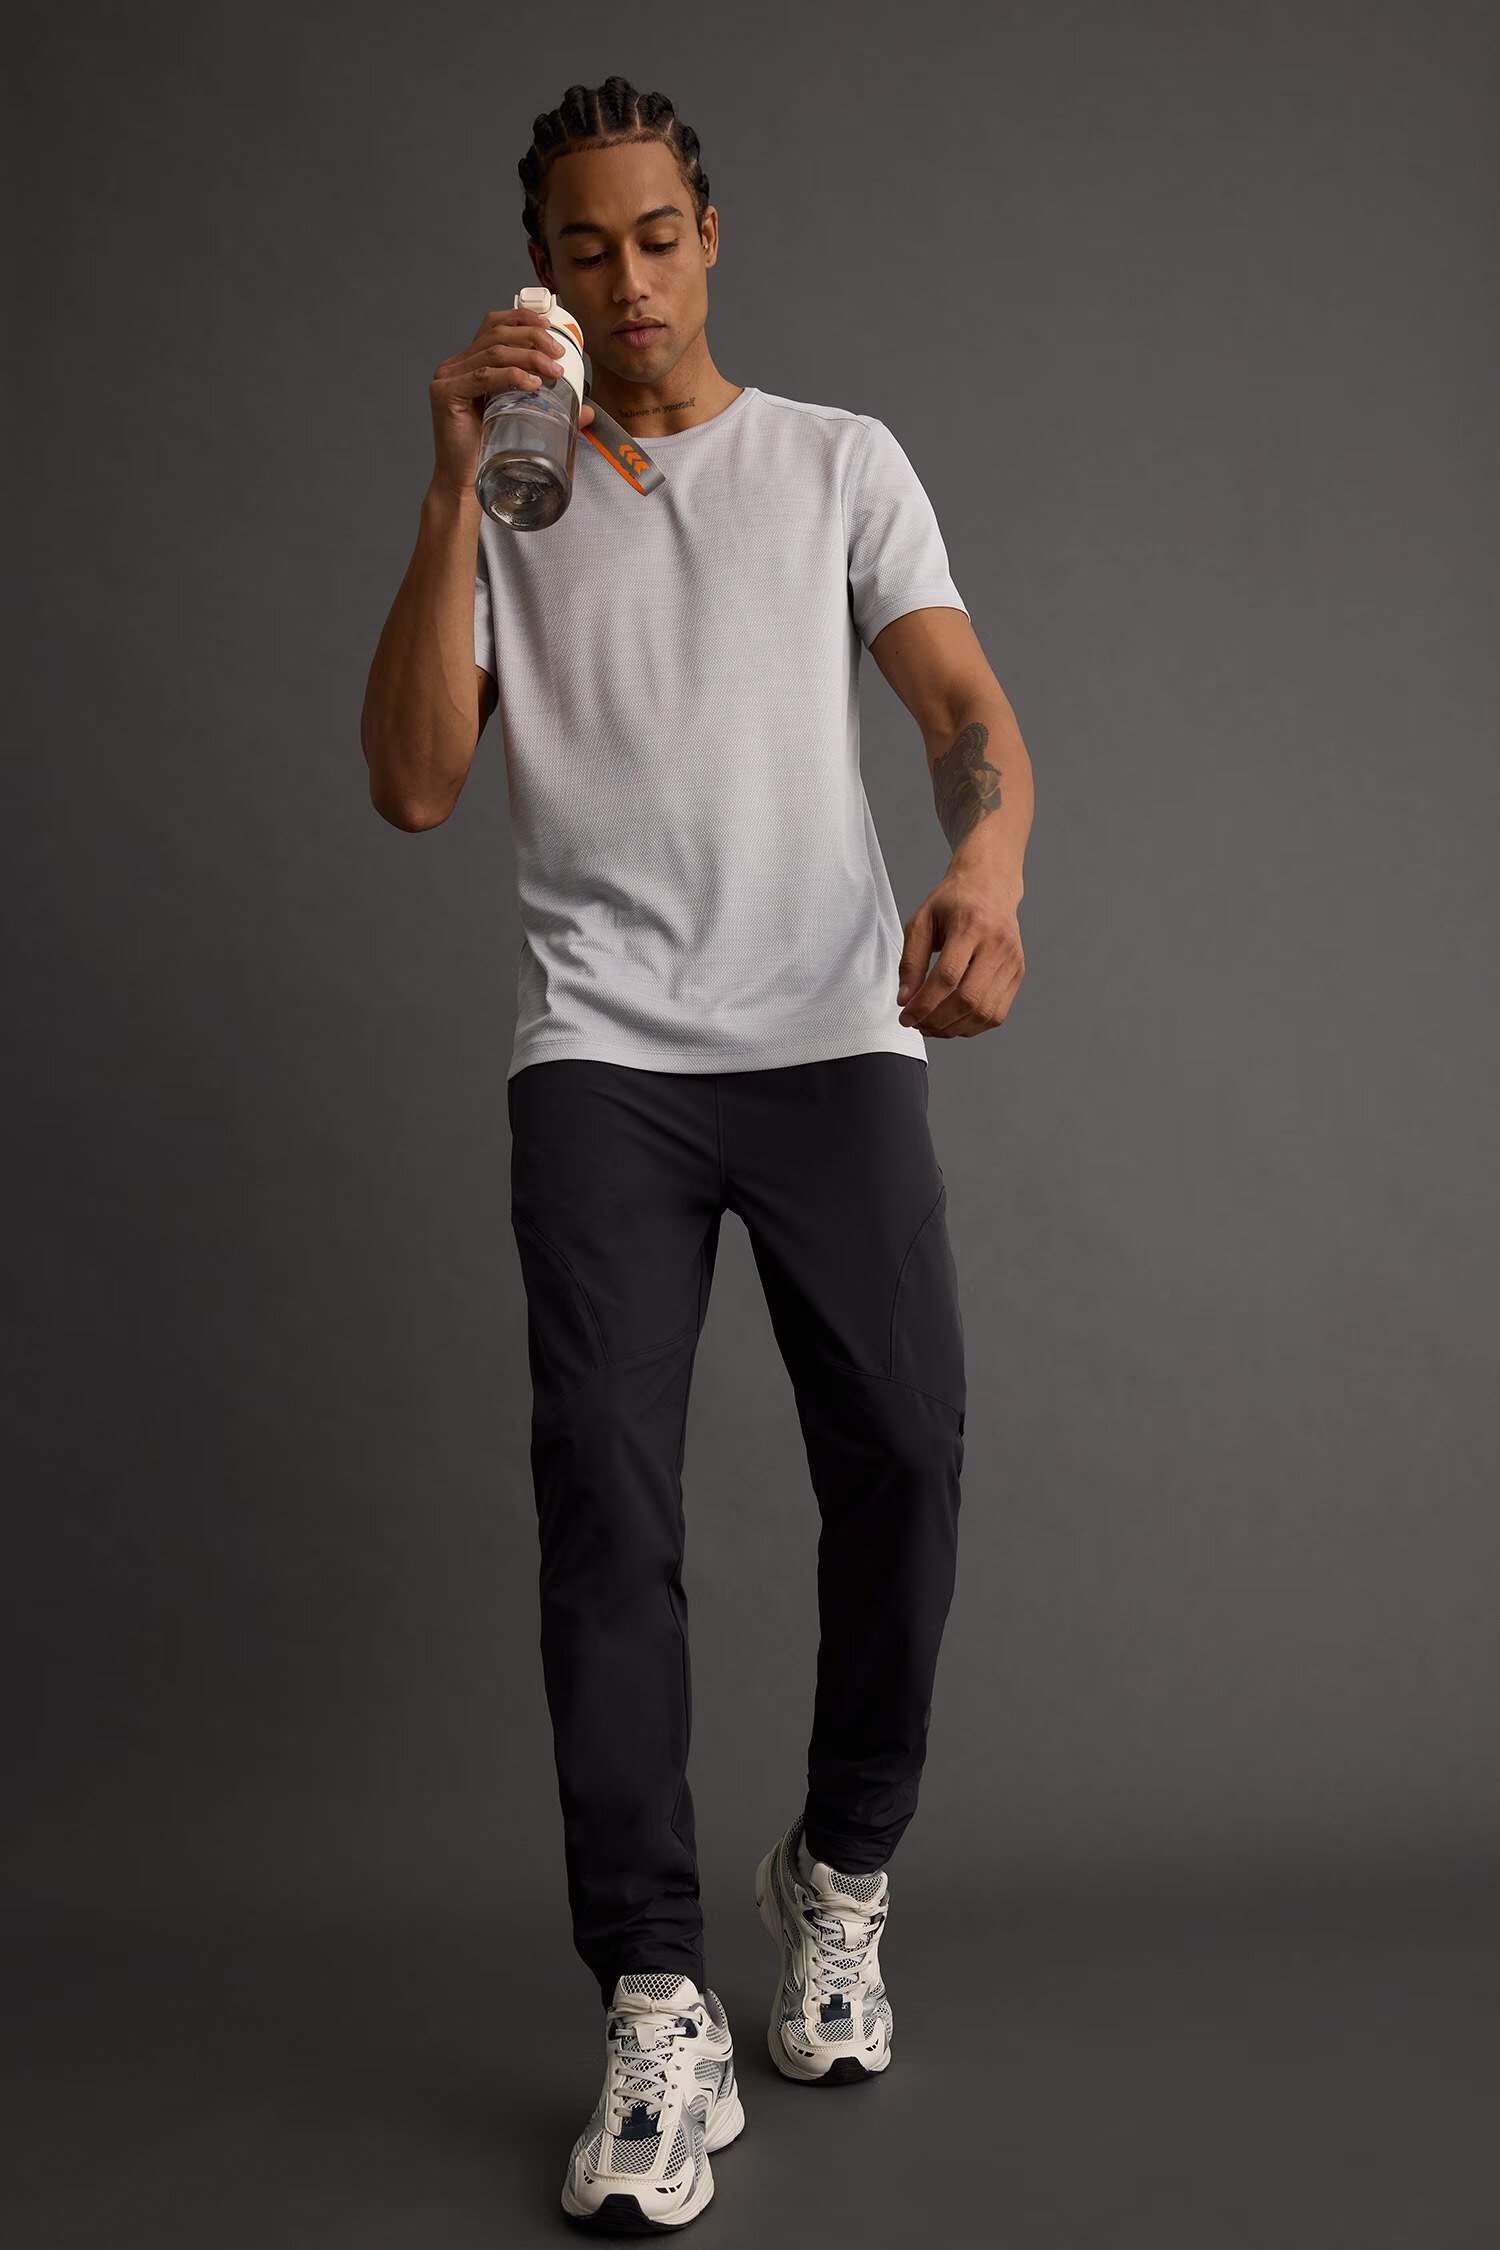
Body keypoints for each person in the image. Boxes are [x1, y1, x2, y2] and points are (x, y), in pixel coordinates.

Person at [361, 73, 1033, 2235]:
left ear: (709, 234)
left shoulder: (836, 462)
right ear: (540, 266)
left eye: (658, 236)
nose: (629, 280)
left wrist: (989, 857)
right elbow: (413, 785)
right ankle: (654, 1996)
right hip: (605, 1059)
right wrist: (451, 488)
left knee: (908, 1452)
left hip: (830, 1034)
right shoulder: (515, 490)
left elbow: (961, 710)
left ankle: (838, 1869)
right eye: (586, 245)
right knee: (607, 1499)